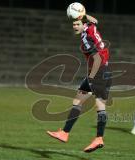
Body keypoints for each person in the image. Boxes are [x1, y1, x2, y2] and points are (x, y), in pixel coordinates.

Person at [47, 14, 111, 153]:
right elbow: (94, 21)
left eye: (77, 24)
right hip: (104, 71)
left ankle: (99, 137)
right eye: (74, 24)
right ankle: (64, 132)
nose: (75, 27)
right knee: (78, 100)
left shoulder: (85, 40)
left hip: (98, 73)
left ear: (83, 25)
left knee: (100, 106)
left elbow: (97, 58)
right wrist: (85, 15)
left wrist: (92, 77)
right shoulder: (91, 27)